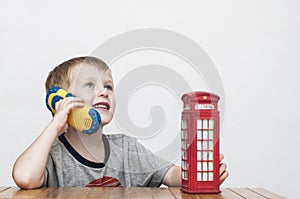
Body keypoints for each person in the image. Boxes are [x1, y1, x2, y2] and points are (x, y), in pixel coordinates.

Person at [12, 56, 228, 189]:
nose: (103, 92)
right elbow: (25, 177)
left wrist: (200, 175)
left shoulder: (126, 148)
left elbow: (169, 174)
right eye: (89, 84)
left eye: (108, 87)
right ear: (60, 99)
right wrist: (55, 124)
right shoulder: (51, 154)